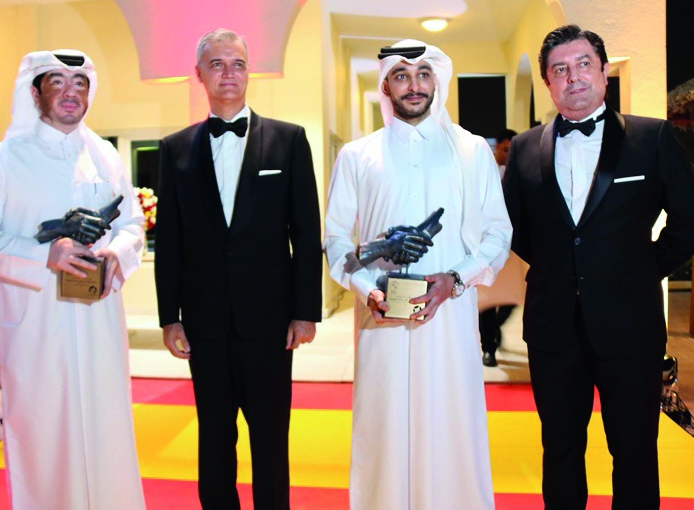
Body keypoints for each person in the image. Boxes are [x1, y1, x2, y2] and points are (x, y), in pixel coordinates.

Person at [503, 24, 694, 509]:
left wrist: (644, 268)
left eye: (583, 64)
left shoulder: (653, 137)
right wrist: (559, 266)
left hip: (630, 325)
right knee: (560, 450)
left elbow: (689, 218)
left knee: (633, 452)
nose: (574, 77)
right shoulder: (524, 148)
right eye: (560, 70)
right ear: (548, 83)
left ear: (604, 72)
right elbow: (514, 229)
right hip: (551, 327)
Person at [324, 39, 512, 510]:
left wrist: (454, 279)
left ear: (438, 81)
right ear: (386, 84)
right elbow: (336, 242)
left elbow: (497, 234)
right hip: (380, 322)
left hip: (449, 320)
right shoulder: (356, 156)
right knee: (382, 428)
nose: (414, 85)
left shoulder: (471, 151)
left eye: (424, 74)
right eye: (402, 75)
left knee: (452, 422)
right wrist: (367, 290)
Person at [0, 50, 146, 510]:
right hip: (36, 328)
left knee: (106, 428)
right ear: (35, 92)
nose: (70, 92)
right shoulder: (3, 159)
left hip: (98, 322)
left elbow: (133, 225)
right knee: (43, 435)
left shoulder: (104, 154)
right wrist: (45, 255)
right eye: (57, 82)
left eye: (80, 82)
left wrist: (116, 253)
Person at [154, 29, 322, 510]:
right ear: (199, 74)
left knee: (271, 441)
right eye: (217, 64)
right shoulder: (174, 148)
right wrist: (170, 316)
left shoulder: (289, 141)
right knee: (213, 441)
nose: (228, 73)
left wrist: (304, 311)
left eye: (238, 63)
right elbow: (170, 241)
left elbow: (305, 234)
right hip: (204, 325)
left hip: (269, 324)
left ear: (250, 71)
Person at [479, 128, 517, 367]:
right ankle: (488, 348)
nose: (510, 155)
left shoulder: (521, 173)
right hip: (486, 243)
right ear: (497, 148)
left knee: (512, 296)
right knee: (488, 299)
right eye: (506, 149)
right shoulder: (484, 171)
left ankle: (498, 326)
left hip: (514, 247)